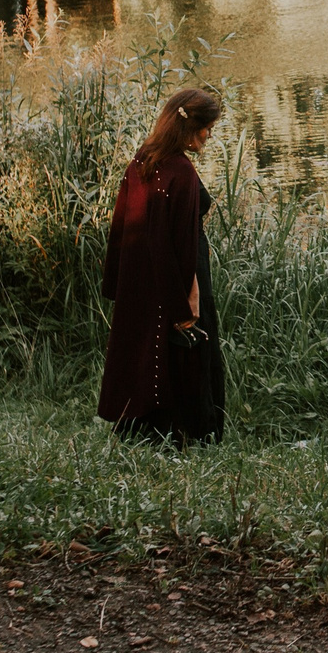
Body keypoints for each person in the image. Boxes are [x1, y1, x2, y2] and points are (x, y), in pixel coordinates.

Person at [98, 86, 227, 444]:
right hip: (181, 271)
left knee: (149, 349)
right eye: (207, 128)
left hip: (145, 278)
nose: (209, 135)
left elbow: (123, 228)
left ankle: (147, 431)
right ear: (190, 127)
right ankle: (192, 432)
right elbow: (175, 243)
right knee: (190, 342)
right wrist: (187, 299)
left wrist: (119, 283)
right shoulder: (181, 172)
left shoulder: (143, 160)